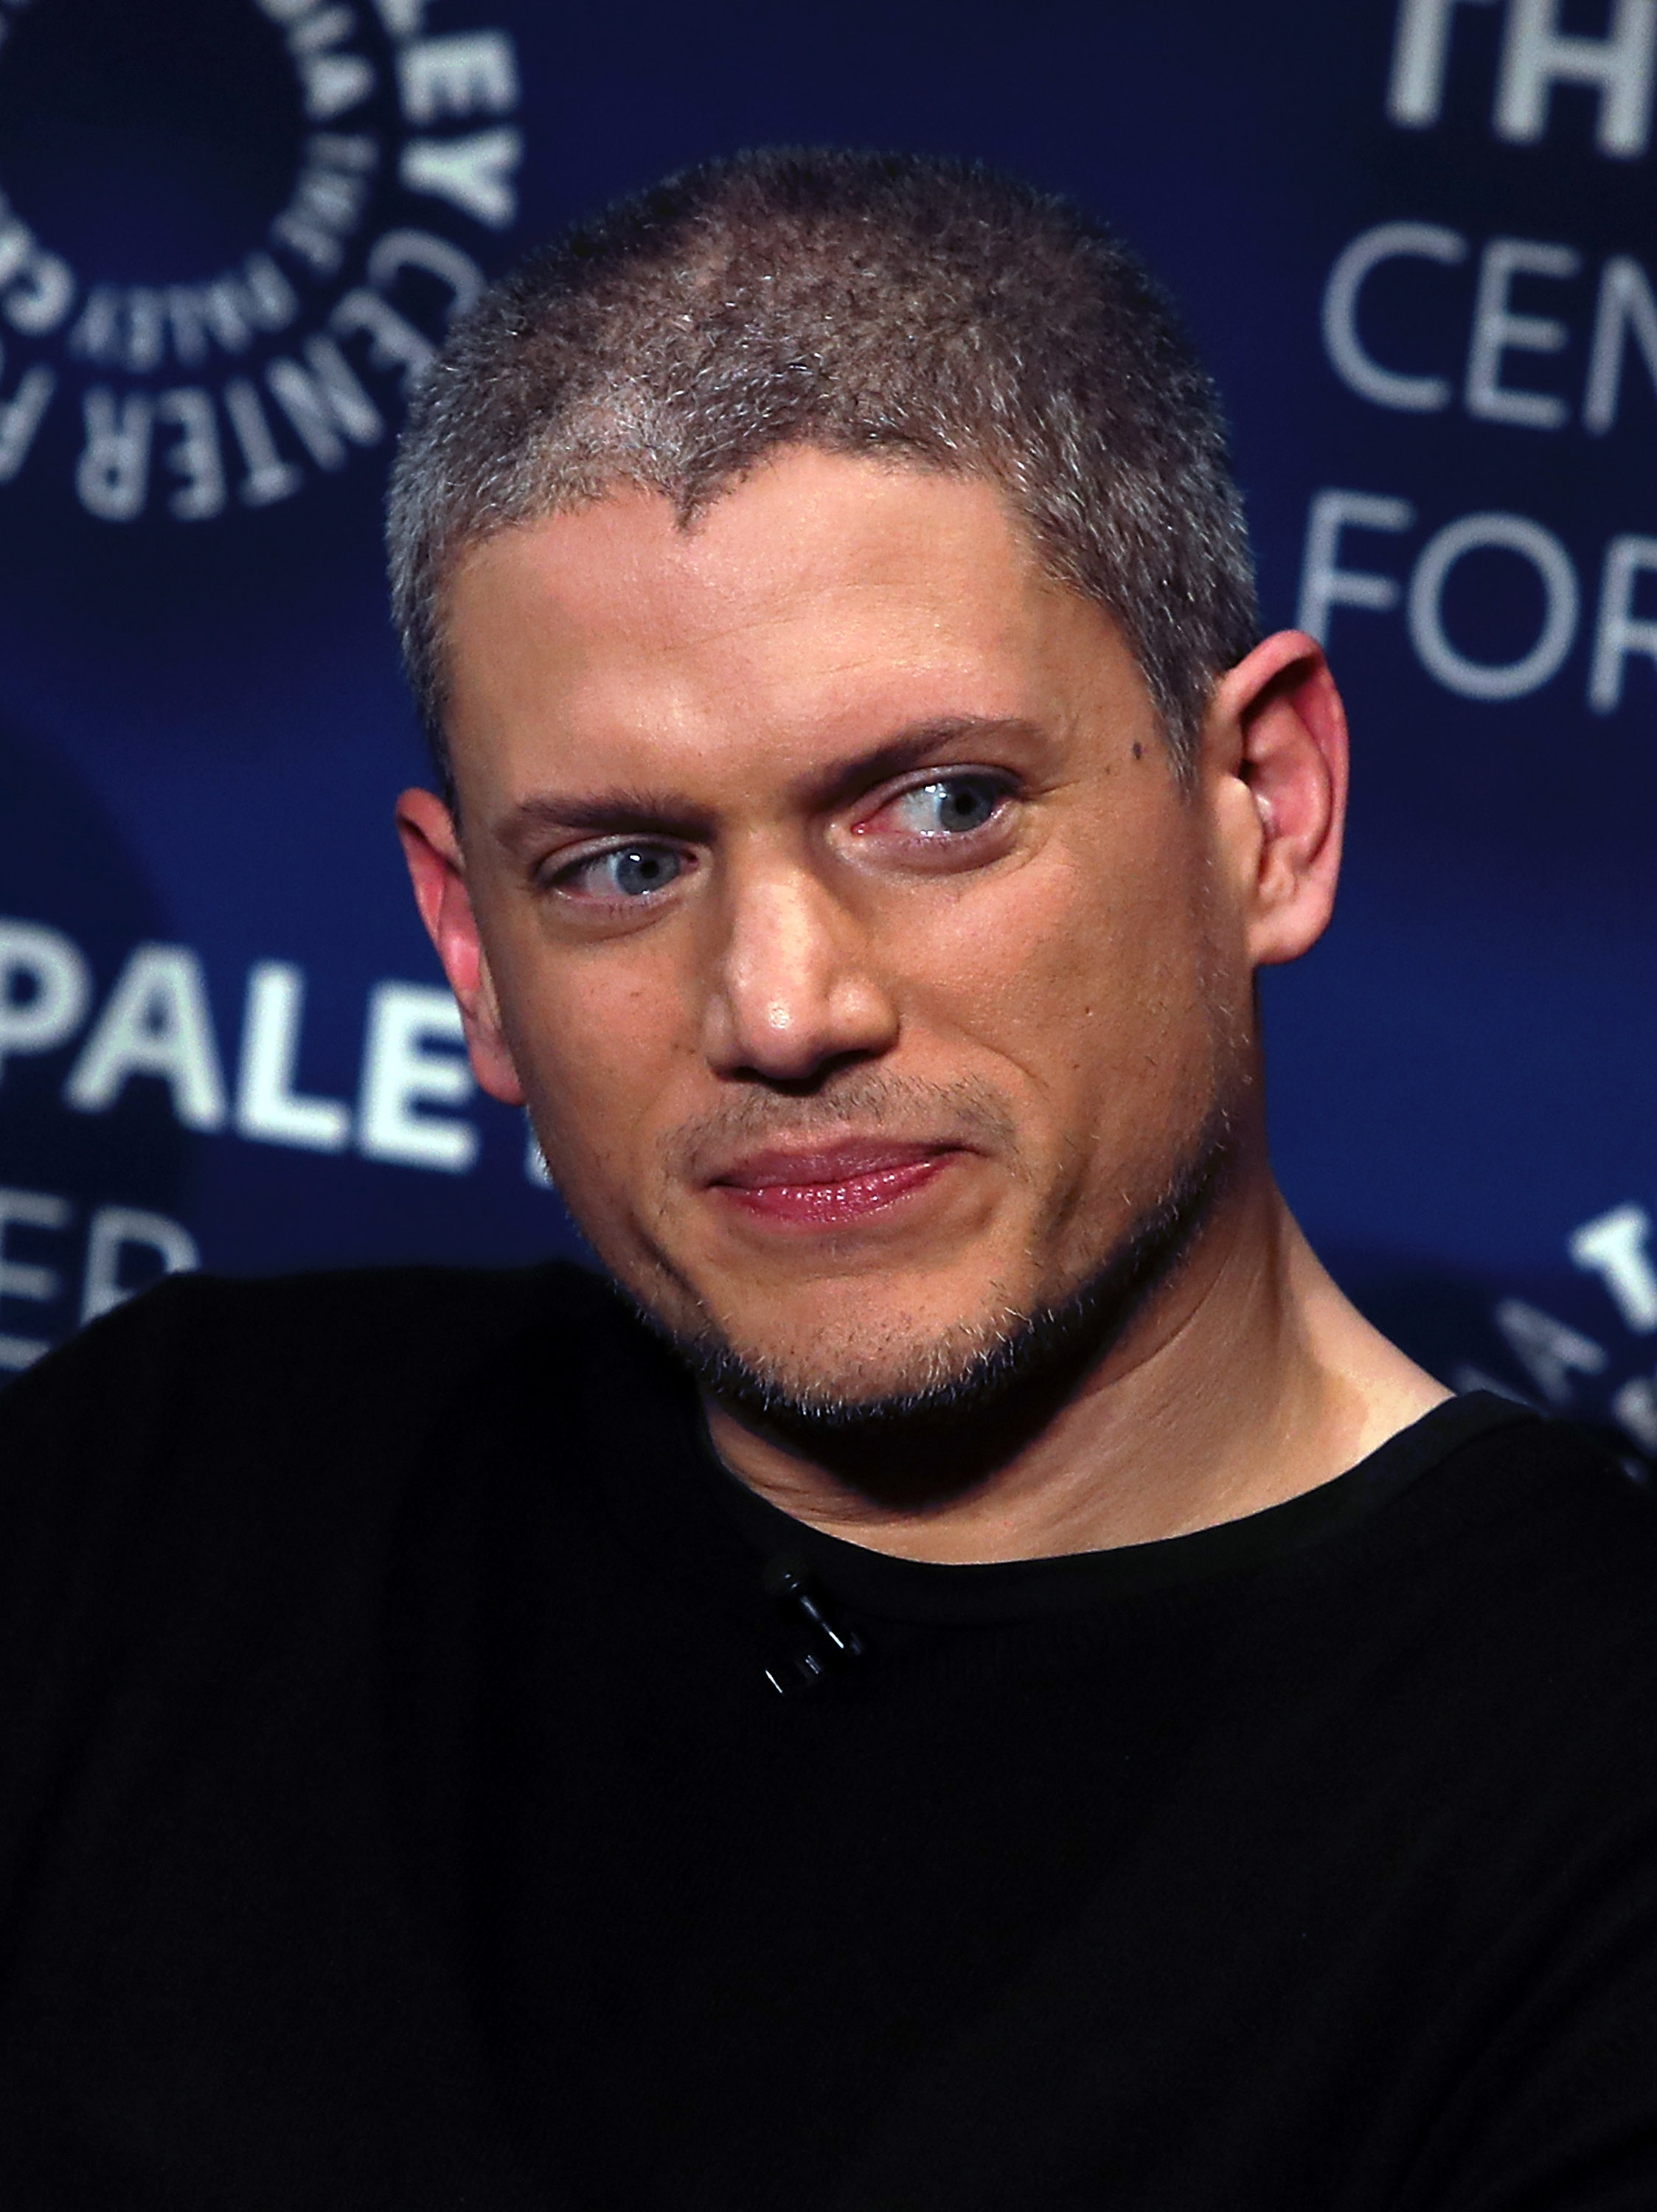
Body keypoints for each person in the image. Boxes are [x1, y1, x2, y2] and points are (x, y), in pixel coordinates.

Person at [1, 148, 1653, 2211]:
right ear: (465, 949)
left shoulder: (1594, 1783)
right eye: (622, 865)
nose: (783, 1008)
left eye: (942, 808)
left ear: (1269, 810)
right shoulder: (167, 1490)